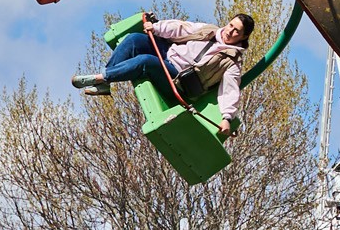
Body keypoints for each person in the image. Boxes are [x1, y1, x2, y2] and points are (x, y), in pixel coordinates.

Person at [73, 11, 256, 139]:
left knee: (146, 61)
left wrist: (227, 118)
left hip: (178, 79)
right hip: (167, 53)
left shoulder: (231, 61)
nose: (229, 31)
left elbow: (230, 89)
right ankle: (106, 84)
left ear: (243, 37)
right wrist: (156, 27)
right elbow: (181, 28)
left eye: (236, 31)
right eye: (231, 25)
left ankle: (102, 77)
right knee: (133, 40)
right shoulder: (209, 30)